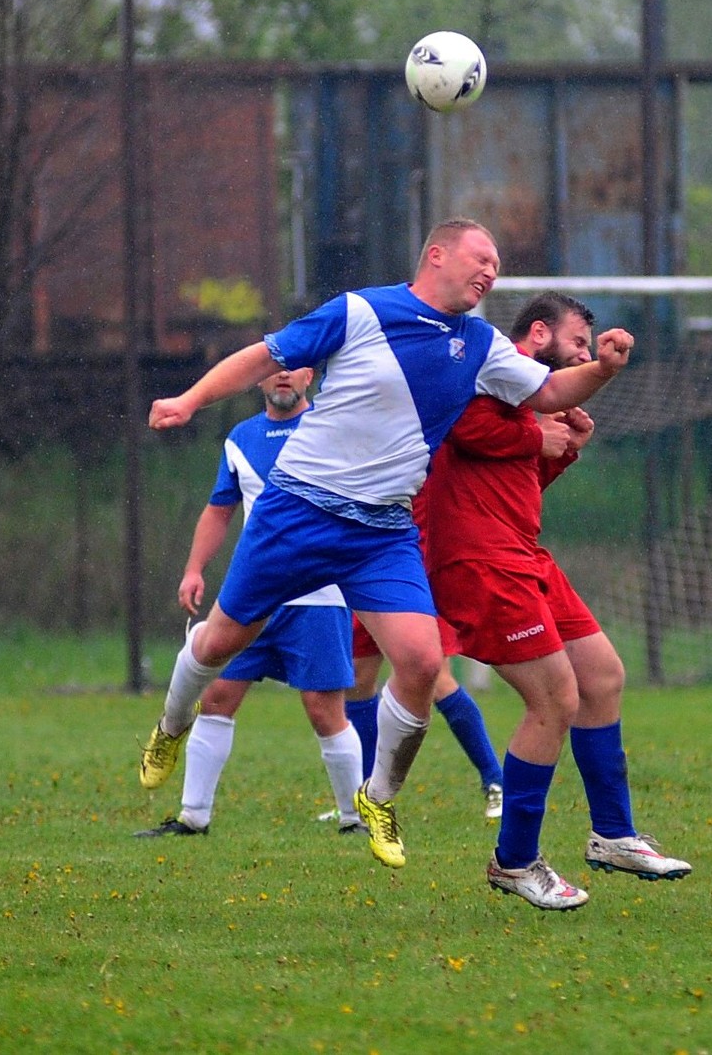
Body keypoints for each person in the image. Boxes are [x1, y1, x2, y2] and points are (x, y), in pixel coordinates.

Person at [140, 218, 634, 877]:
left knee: (423, 660)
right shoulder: (363, 310)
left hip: (381, 529)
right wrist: (191, 398)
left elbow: (548, 391)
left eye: (497, 266)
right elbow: (265, 356)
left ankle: (378, 799)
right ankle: (172, 725)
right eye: (480, 258)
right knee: (219, 642)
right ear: (436, 254)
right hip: (299, 512)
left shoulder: (482, 344)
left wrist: (601, 368)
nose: (491, 272)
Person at [423, 290, 691, 910]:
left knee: (601, 677)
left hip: (524, 555)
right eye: (577, 346)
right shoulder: (487, 372)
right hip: (481, 562)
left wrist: (562, 448)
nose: (582, 359)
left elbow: (516, 475)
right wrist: (547, 423)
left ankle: (614, 836)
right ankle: (514, 861)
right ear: (538, 335)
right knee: (553, 699)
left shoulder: (524, 407)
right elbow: (464, 426)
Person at [136, 368, 366, 836]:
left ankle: (355, 819)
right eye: (272, 369)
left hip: (318, 597)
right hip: (256, 596)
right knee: (218, 696)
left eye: (293, 367)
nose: (282, 375)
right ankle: (192, 818)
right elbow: (219, 510)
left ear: (309, 376)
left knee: (325, 709)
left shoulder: (329, 427)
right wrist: (194, 570)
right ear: (258, 382)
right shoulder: (242, 437)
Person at [348, 613, 504, 820]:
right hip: (368, 588)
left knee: (437, 680)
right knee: (358, 680)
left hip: (417, 588)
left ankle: (496, 782)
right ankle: (367, 801)